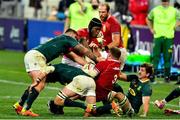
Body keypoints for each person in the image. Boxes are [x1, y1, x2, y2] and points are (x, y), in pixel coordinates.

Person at [13, 28, 101, 117]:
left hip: (31, 55)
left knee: (36, 83)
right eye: (75, 38)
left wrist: (89, 65)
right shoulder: (67, 38)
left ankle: (19, 105)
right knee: (40, 84)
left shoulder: (62, 43)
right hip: (37, 57)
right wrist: (97, 60)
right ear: (71, 35)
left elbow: (76, 58)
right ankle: (26, 109)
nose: (75, 40)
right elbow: (84, 51)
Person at [146, 0, 180, 82]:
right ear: (161, 2)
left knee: (167, 57)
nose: (165, 3)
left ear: (169, 2)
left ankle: (167, 77)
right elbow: (148, 19)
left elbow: (179, 19)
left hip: (169, 37)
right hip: (157, 36)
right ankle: (152, 77)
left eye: (166, 1)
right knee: (155, 57)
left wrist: (175, 26)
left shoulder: (174, 11)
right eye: (163, 1)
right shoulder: (155, 10)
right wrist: (151, 28)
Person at [98, 3, 126, 70]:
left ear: (108, 12)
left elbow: (116, 42)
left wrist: (103, 49)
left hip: (117, 52)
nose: (101, 14)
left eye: (103, 12)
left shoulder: (113, 23)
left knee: (112, 74)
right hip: (109, 51)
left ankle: (133, 78)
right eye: (99, 12)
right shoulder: (103, 21)